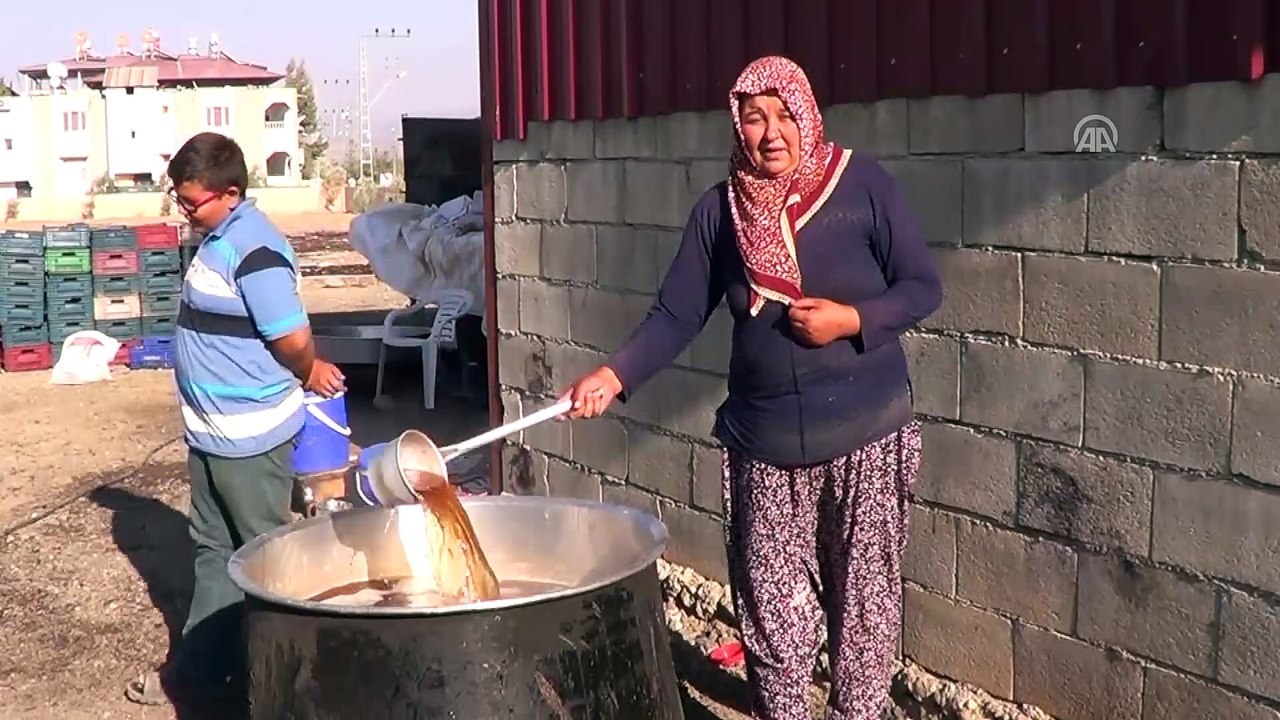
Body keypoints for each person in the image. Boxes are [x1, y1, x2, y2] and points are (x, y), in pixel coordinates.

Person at [562, 56, 942, 719]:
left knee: (864, 616)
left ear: (807, 113)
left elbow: (921, 287)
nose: (770, 133)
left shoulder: (862, 186)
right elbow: (678, 314)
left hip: (867, 439)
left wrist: (852, 320)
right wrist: (614, 373)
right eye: (753, 117)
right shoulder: (721, 212)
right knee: (772, 622)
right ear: (737, 126)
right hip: (763, 447)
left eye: (783, 114)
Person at [126, 132, 346, 706]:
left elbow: (293, 336)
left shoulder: (256, 250)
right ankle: (204, 669)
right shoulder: (215, 237)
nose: (182, 210)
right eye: (177, 198)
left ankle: (296, 681)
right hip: (211, 435)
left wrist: (306, 370)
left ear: (229, 193)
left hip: (249, 443)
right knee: (213, 551)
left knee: (269, 560)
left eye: (190, 201)